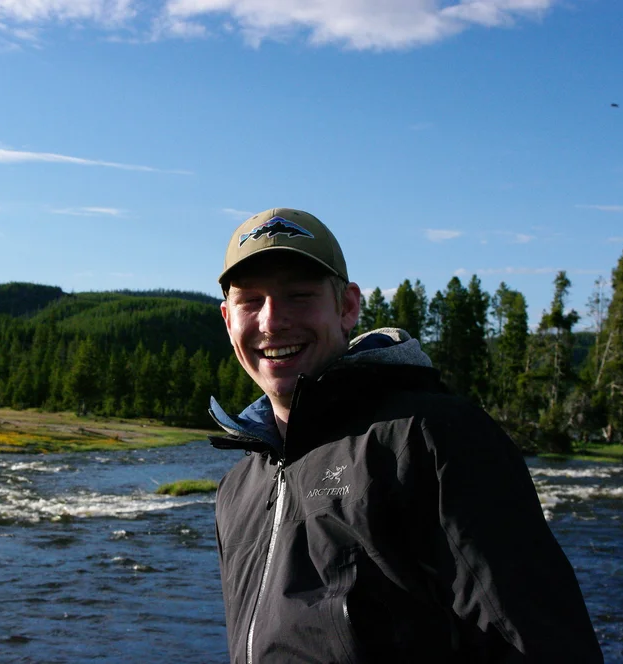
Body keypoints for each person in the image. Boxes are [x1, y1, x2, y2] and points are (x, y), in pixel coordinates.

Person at [208, 208, 603, 663]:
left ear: (347, 307)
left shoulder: (433, 438)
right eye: (251, 301)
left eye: (299, 295)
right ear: (227, 319)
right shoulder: (237, 489)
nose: (272, 322)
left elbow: (543, 643)